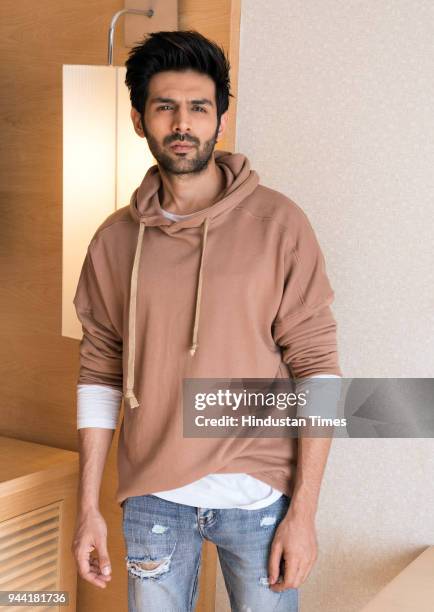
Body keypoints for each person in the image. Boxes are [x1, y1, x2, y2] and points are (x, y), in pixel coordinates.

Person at [71, 30, 342, 612]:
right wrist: (88, 505)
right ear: (140, 119)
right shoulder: (115, 241)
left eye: (199, 107)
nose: (182, 123)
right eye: (165, 106)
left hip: (261, 498)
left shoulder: (280, 225)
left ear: (220, 117)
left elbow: (316, 370)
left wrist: (305, 511)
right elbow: (98, 374)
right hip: (152, 500)